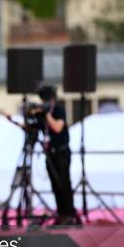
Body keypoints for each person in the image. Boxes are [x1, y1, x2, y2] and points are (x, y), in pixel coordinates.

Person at [29, 84, 76, 225]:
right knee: (55, 185)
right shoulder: (41, 115)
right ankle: (61, 213)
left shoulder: (59, 111)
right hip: (50, 155)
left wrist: (47, 115)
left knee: (64, 183)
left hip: (62, 152)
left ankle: (68, 214)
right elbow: (31, 127)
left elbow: (57, 127)